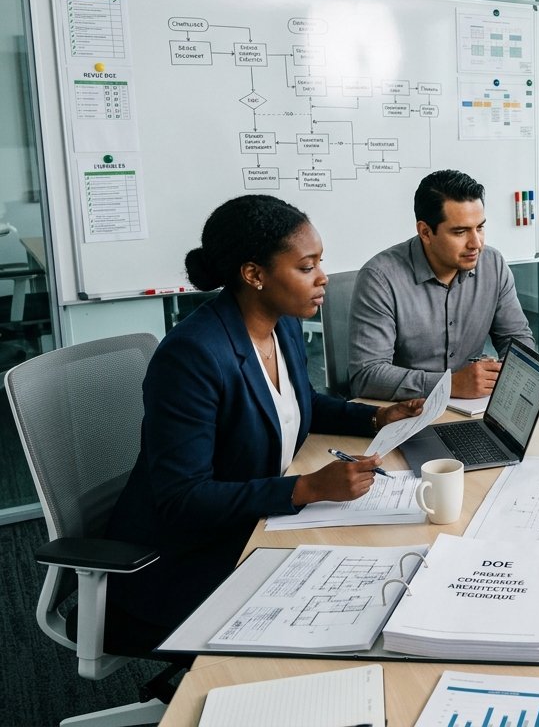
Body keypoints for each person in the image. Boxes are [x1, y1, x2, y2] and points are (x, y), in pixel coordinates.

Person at [105, 195, 425, 651]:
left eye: (321, 262)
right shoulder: (192, 355)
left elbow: (296, 401)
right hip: (185, 559)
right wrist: (307, 489)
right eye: (305, 266)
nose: (322, 277)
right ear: (254, 275)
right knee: (345, 616)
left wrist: (376, 415)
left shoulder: (282, 323)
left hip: (253, 523)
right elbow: (182, 498)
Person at [348, 169, 535, 400]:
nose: (476, 243)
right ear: (425, 232)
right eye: (460, 232)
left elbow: (516, 338)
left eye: (480, 227)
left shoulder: (493, 264)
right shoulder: (380, 278)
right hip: (405, 411)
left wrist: (514, 373)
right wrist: (448, 385)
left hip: (473, 406)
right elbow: (366, 375)